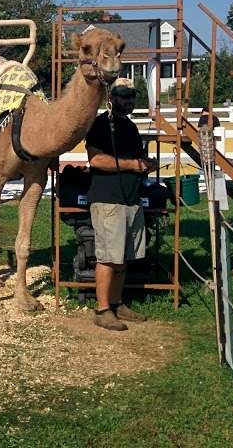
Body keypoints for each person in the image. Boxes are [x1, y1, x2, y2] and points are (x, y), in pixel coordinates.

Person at [85, 78, 159, 331]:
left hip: (130, 199)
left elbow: (131, 159)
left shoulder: (130, 126)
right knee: (107, 257)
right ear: (111, 98)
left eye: (131, 97)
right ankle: (102, 309)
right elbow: (95, 160)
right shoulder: (99, 124)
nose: (128, 101)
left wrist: (145, 164)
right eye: (123, 96)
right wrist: (132, 165)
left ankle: (116, 303)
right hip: (108, 200)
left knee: (123, 257)